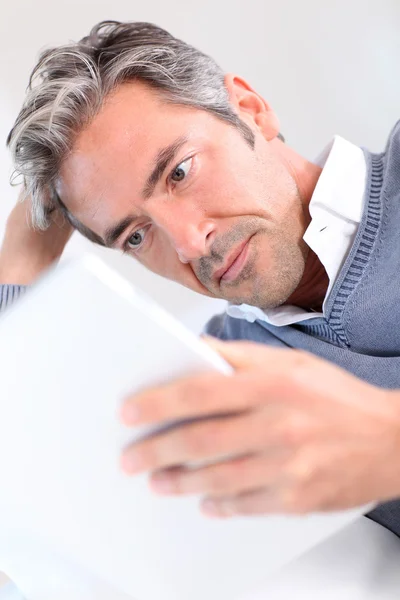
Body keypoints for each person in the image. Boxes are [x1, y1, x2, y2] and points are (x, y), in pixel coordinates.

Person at [2, 20, 400, 541]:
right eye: (137, 236)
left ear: (250, 109)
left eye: (180, 172)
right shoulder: (222, 364)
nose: (190, 244)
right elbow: (35, 477)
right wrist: (19, 262)